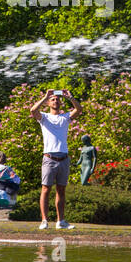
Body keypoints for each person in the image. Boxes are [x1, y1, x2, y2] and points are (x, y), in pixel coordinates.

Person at [30, 89, 82, 230]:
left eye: (57, 99)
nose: (55, 101)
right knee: (45, 189)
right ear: (48, 102)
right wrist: (45, 96)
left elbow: (79, 109)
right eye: (52, 99)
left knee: (61, 190)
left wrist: (70, 97)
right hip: (49, 157)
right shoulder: (44, 117)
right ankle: (44, 220)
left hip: (63, 158)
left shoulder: (65, 117)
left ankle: (61, 221)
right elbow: (33, 110)